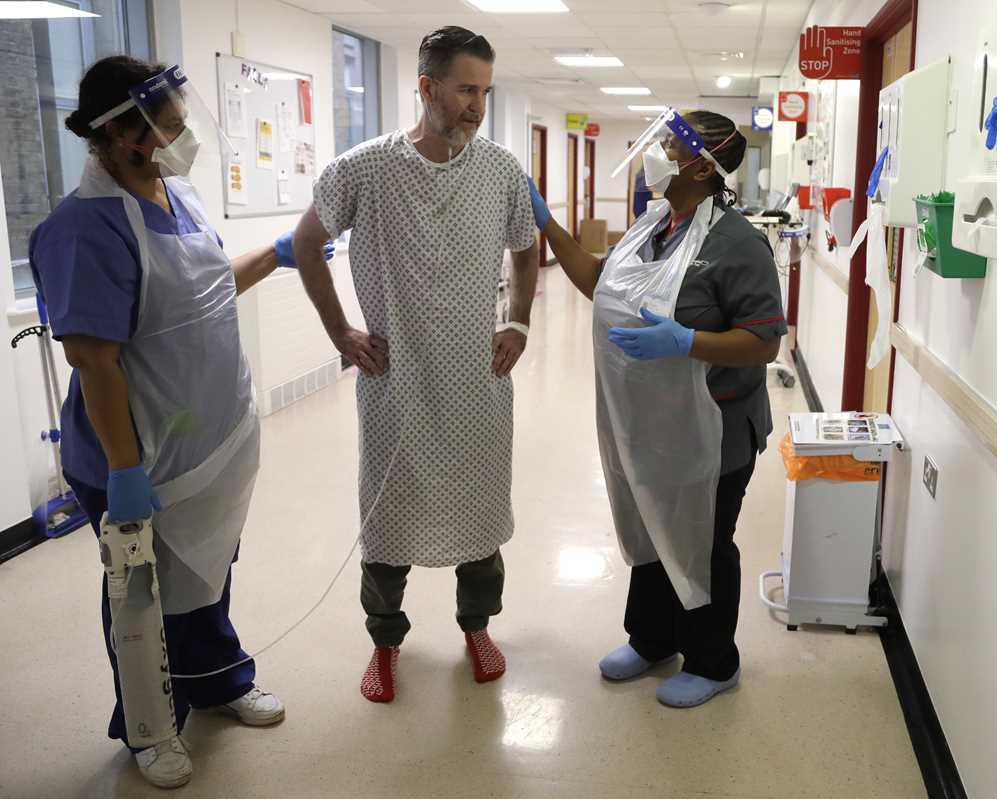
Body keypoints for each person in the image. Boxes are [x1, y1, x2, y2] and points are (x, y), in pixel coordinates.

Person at [29, 56, 331, 788]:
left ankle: (220, 681)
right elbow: (94, 361)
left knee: (206, 570)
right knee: (143, 592)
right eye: (168, 125)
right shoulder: (83, 229)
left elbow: (206, 293)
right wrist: (126, 470)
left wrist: (275, 256)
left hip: (207, 440)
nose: (182, 134)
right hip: (137, 453)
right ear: (124, 135)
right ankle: (150, 724)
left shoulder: (179, 195)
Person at [291, 26, 539, 702]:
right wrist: (339, 330)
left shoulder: (500, 170)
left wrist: (518, 320)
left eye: (485, 92)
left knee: (480, 512)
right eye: (465, 90)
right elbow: (306, 242)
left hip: (477, 381)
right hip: (394, 381)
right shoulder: (365, 168)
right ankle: (385, 640)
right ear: (427, 87)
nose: (477, 106)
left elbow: (526, 248)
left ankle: (477, 626)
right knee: (388, 519)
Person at [527, 110, 786, 708]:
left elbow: (764, 340)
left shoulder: (736, 244)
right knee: (650, 523)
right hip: (649, 417)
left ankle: (713, 662)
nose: (656, 154)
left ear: (700, 166)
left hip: (715, 423)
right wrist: (547, 224)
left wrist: (688, 341)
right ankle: (652, 641)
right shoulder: (651, 225)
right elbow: (600, 283)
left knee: (703, 538)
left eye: (668, 146)